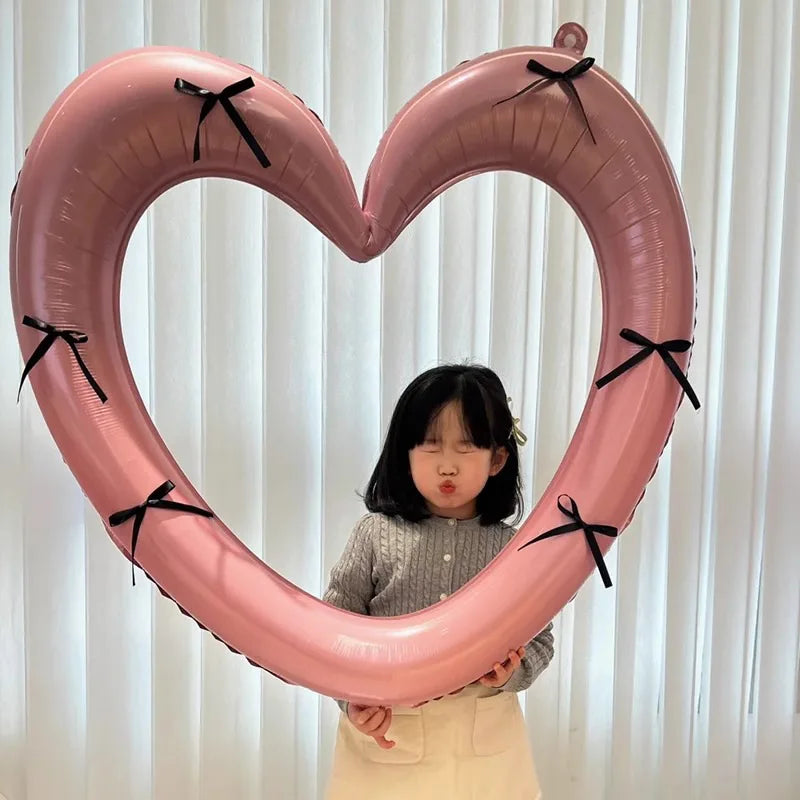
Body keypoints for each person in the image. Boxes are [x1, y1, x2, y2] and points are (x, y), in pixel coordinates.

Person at [323, 363, 554, 799]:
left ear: (497, 459)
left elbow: (540, 639)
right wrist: (352, 702)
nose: (447, 466)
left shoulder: (513, 549)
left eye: (466, 448)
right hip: (390, 736)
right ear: (405, 454)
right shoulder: (374, 535)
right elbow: (334, 632)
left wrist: (512, 672)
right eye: (430, 446)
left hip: (484, 744)